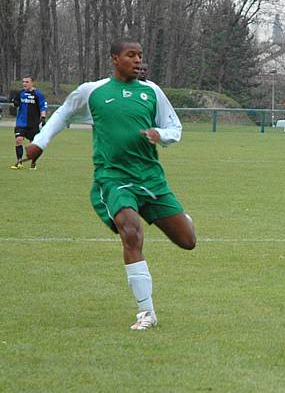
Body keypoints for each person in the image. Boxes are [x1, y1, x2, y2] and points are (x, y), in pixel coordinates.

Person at [24, 38, 197, 330]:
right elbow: (64, 113)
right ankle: (146, 313)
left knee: (187, 242)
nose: (139, 60)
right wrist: (40, 143)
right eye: (132, 55)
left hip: (150, 177)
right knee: (131, 233)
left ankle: (183, 221)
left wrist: (160, 134)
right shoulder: (93, 92)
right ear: (115, 58)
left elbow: (174, 128)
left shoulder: (152, 91)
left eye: (141, 55)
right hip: (113, 177)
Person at [11, 76, 48, 170]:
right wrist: (14, 102)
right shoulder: (20, 93)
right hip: (21, 123)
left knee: (34, 145)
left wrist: (43, 118)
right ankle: (19, 162)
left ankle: (33, 162)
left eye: (27, 82)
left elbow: (43, 106)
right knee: (18, 140)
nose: (24, 84)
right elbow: (15, 104)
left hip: (33, 124)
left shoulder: (38, 94)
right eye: (23, 82)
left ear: (32, 83)